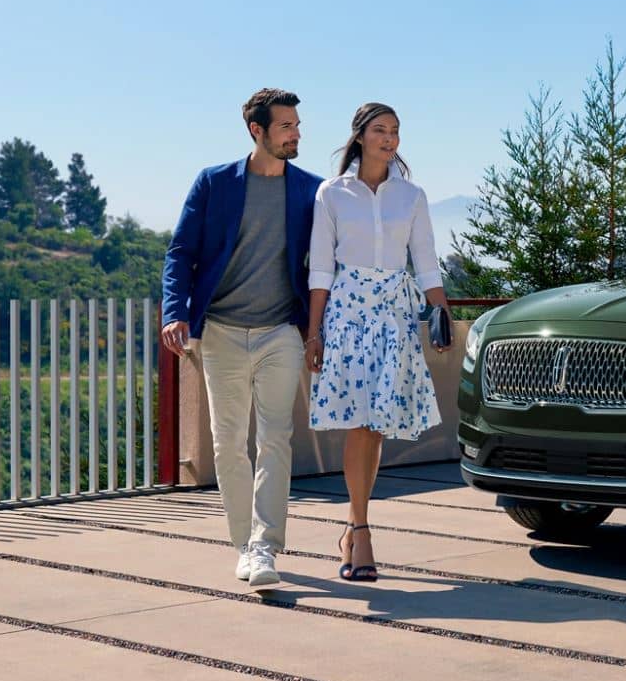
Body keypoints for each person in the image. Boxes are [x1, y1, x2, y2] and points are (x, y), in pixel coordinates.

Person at [162, 88, 323, 588]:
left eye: (297, 125)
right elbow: (180, 253)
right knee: (228, 443)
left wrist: (318, 331)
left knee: (275, 437)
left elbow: (326, 263)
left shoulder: (310, 190)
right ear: (258, 131)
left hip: (281, 331)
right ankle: (244, 545)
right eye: (286, 126)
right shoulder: (214, 183)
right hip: (222, 333)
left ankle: (264, 546)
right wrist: (175, 312)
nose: (296, 134)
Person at [306, 102, 452, 582]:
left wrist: (441, 313)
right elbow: (320, 268)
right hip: (347, 314)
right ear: (360, 136)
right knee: (358, 422)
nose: (389, 139)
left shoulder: (411, 195)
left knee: (376, 424)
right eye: (380, 130)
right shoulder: (332, 193)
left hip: (394, 314)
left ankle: (354, 526)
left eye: (395, 131)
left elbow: (426, 261)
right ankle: (362, 530)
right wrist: (314, 332)